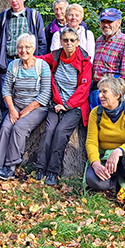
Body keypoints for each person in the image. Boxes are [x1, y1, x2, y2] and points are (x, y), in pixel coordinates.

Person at [84, 77, 125, 215]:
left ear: (117, 95)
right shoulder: (96, 113)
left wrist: (118, 151)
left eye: (104, 91)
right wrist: (96, 163)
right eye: (99, 91)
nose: (100, 95)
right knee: (92, 178)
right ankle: (113, 186)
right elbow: (91, 142)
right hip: (106, 161)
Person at [35, 27, 92, 186]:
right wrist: (23, 57)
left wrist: (67, 105)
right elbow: (38, 59)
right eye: (65, 40)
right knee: (48, 131)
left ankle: (53, 171)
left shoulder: (84, 61)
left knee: (60, 133)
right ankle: (41, 168)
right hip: (55, 103)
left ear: (77, 42)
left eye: (72, 40)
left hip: (75, 106)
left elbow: (84, 89)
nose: (68, 43)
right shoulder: (55, 56)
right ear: (61, 42)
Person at [0, 34, 51, 180]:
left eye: (27, 47)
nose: (23, 50)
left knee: (19, 128)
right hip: (17, 105)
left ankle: (11, 167)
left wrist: (28, 109)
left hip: (37, 107)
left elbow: (46, 92)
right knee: (6, 127)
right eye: (20, 47)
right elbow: (6, 89)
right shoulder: (14, 65)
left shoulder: (42, 66)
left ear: (34, 48)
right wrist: (12, 110)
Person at [91, 8, 125, 108]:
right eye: (103, 21)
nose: (106, 24)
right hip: (95, 90)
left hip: (111, 93)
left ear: (119, 23)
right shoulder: (99, 40)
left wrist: (115, 97)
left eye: (110, 21)